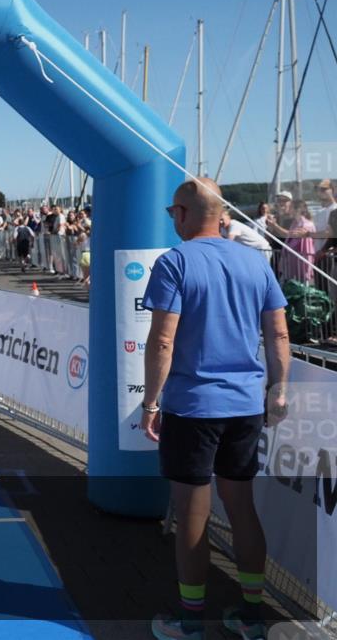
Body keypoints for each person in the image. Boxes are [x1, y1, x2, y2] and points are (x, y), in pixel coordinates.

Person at [141, 178, 288, 640]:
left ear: (184, 213)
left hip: (194, 407)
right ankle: (251, 614)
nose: (173, 220)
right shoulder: (255, 261)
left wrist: (149, 402)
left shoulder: (175, 261)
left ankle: (191, 620)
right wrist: (279, 388)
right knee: (242, 507)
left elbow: (162, 341)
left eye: (173, 213)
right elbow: (278, 334)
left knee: (192, 513)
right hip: (245, 405)